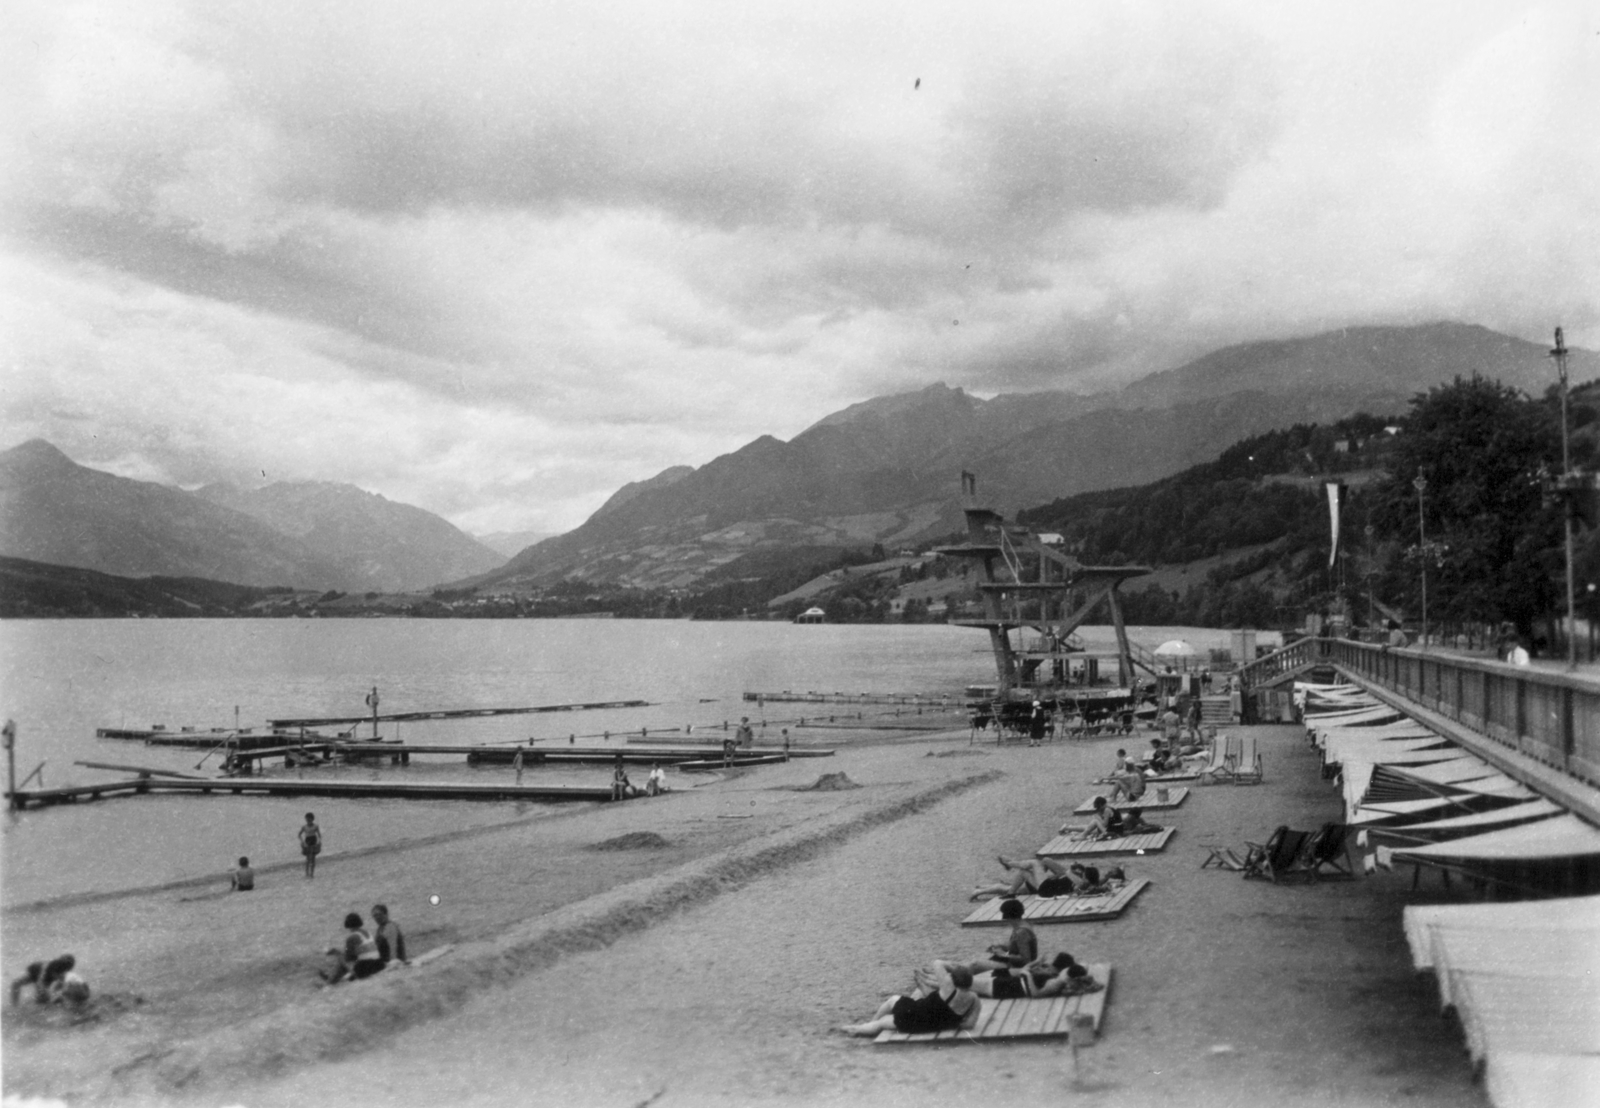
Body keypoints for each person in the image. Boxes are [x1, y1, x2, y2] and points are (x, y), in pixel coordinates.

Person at [840, 962, 979, 1037]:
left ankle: (858, 1028)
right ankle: (865, 1026)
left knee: (890, 1006)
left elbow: (937, 963)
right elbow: (969, 1024)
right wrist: (950, 1022)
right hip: (934, 1024)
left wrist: (953, 966)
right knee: (895, 1010)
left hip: (915, 1017)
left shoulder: (948, 988)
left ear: (953, 979)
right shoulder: (975, 999)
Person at [968, 898, 1038, 972]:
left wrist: (1004, 955)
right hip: (1014, 964)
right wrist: (1001, 946)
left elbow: (1026, 959)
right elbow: (1018, 946)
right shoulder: (1023, 925)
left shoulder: (1021, 932)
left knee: (975, 965)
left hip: (1017, 967)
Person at [970, 856, 1077, 901]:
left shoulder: (1077, 881)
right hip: (1045, 883)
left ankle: (979, 891)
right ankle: (986, 887)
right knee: (1044, 860)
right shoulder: (1070, 876)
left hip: (1044, 888)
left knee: (1008, 888)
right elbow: (1047, 862)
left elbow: (1079, 887)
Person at [322, 912, 384, 984]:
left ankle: (330, 981)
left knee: (340, 958)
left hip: (366, 968)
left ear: (347, 924)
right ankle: (332, 978)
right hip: (378, 965)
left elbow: (348, 958)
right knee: (342, 958)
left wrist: (335, 952)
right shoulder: (368, 932)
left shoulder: (351, 937)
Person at [298, 812, 322, 878]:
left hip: (314, 841)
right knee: (308, 859)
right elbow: (299, 835)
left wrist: (319, 842)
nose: (308, 821)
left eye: (309, 819)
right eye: (307, 819)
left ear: (312, 819)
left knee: (313, 859)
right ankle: (307, 873)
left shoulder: (316, 826)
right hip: (307, 841)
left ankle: (312, 874)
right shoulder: (304, 827)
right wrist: (302, 842)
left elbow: (319, 835)